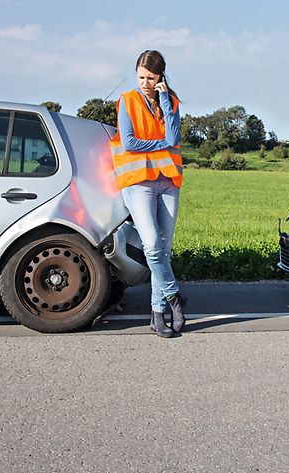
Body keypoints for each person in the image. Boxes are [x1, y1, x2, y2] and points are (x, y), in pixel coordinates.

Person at [109, 50, 186, 338]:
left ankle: (157, 314)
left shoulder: (171, 101)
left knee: (163, 250)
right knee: (152, 245)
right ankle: (175, 296)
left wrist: (165, 99)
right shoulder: (127, 101)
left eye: (151, 78)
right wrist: (161, 143)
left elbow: (174, 137)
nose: (144, 82)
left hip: (168, 181)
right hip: (138, 181)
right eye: (141, 76)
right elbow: (128, 142)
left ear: (161, 77)